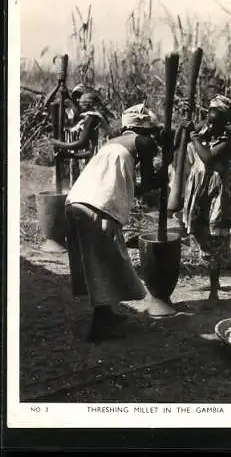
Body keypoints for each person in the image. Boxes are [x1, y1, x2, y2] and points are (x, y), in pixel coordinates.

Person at [64, 102, 164, 343]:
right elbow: (149, 183)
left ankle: (107, 313)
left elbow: (133, 187)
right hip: (96, 206)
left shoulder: (114, 143)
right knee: (105, 262)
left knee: (98, 261)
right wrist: (166, 170)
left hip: (77, 200)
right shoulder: (144, 143)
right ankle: (100, 326)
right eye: (151, 130)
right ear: (144, 129)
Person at [182, 94, 231, 303]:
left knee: (216, 235)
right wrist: (186, 123)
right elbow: (185, 132)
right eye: (209, 111)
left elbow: (207, 158)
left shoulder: (227, 139)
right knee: (200, 231)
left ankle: (214, 291)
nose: (210, 116)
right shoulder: (204, 127)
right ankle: (213, 282)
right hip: (201, 186)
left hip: (218, 189)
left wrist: (194, 138)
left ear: (225, 119)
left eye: (215, 113)